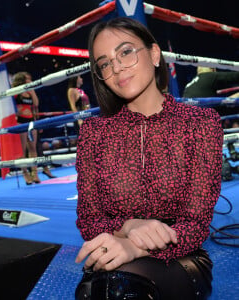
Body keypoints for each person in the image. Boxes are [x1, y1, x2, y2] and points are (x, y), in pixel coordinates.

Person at [74, 17, 223, 300]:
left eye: (125, 52)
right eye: (104, 63)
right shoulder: (93, 133)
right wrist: (128, 227)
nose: (116, 67)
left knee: (120, 291)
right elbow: (89, 219)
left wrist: (136, 247)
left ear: (154, 54)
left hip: (181, 257)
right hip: (115, 249)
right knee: (95, 291)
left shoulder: (201, 124)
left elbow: (195, 224)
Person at [12, 72, 55, 185]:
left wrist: (32, 91)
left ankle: (34, 174)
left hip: (31, 122)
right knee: (22, 150)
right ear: (22, 80)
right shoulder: (16, 92)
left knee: (33, 148)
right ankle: (25, 174)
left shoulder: (30, 91)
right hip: (20, 122)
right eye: (28, 78)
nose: (30, 80)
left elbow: (36, 104)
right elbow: (13, 107)